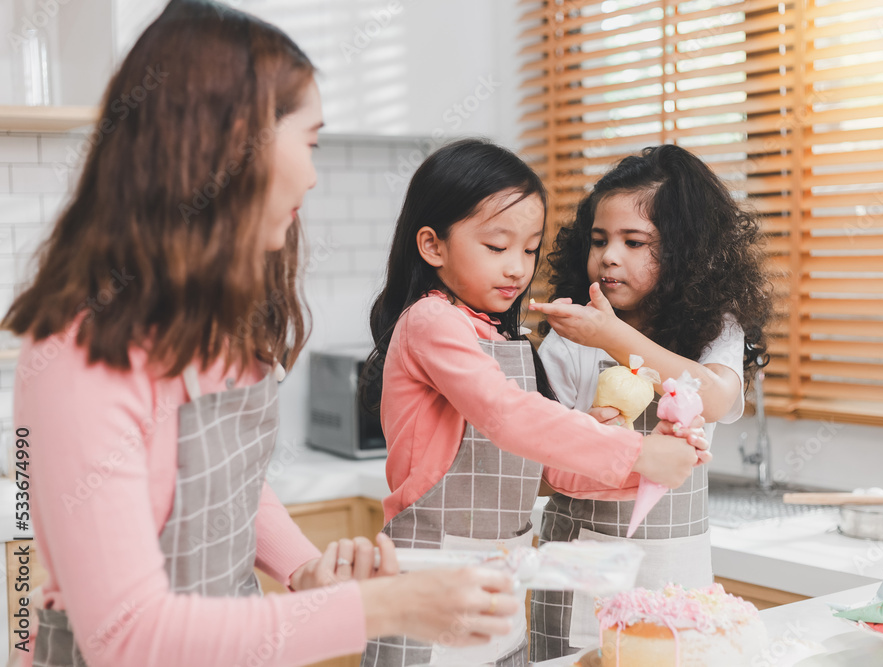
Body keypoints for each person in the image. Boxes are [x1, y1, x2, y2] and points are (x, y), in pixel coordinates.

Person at [3, 2, 522, 665]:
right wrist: (386, 606)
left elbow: (227, 489)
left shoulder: (213, 328)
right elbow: (126, 636)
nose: (312, 173)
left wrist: (305, 570)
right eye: (308, 142)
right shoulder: (80, 354)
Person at [357, 138, 708, 666]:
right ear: (432, 246)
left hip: (497, 597)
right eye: (497, 247)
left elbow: (551, 468)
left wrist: (655, 464)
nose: (518, 268)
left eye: (529, 249)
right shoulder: (431, 322)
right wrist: (636, 454)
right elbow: (506, 416)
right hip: (430, 587)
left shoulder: (504, 339)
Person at [527, 144, 772, 660]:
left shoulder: (715, 329)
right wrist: (588, 434)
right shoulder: (570, 340)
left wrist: (612, 336)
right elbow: (538, 465)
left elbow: (714, 396)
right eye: (599, 240)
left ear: (686, 253)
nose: (610, 255)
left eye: (634, 242)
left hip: (674, 574)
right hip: (580, 575)